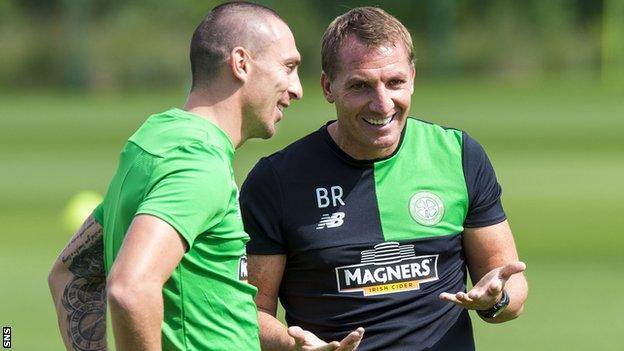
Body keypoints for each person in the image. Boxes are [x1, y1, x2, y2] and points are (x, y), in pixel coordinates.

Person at [240, 6, 528, 351]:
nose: (381, 103)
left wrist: (495, 300)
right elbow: (250, 312)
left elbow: (508, 284)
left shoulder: (458, 154)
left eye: (395, 83)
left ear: (413, 78)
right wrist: (292, 345)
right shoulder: (277, 181)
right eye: (361, 85)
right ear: (327, 86)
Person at [47, 2, 303, 350]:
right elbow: (130, 289)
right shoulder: (197, 161)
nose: (297, 89)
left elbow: (71, 274)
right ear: (241, 64)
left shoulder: (156, 139)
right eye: (288, 67)